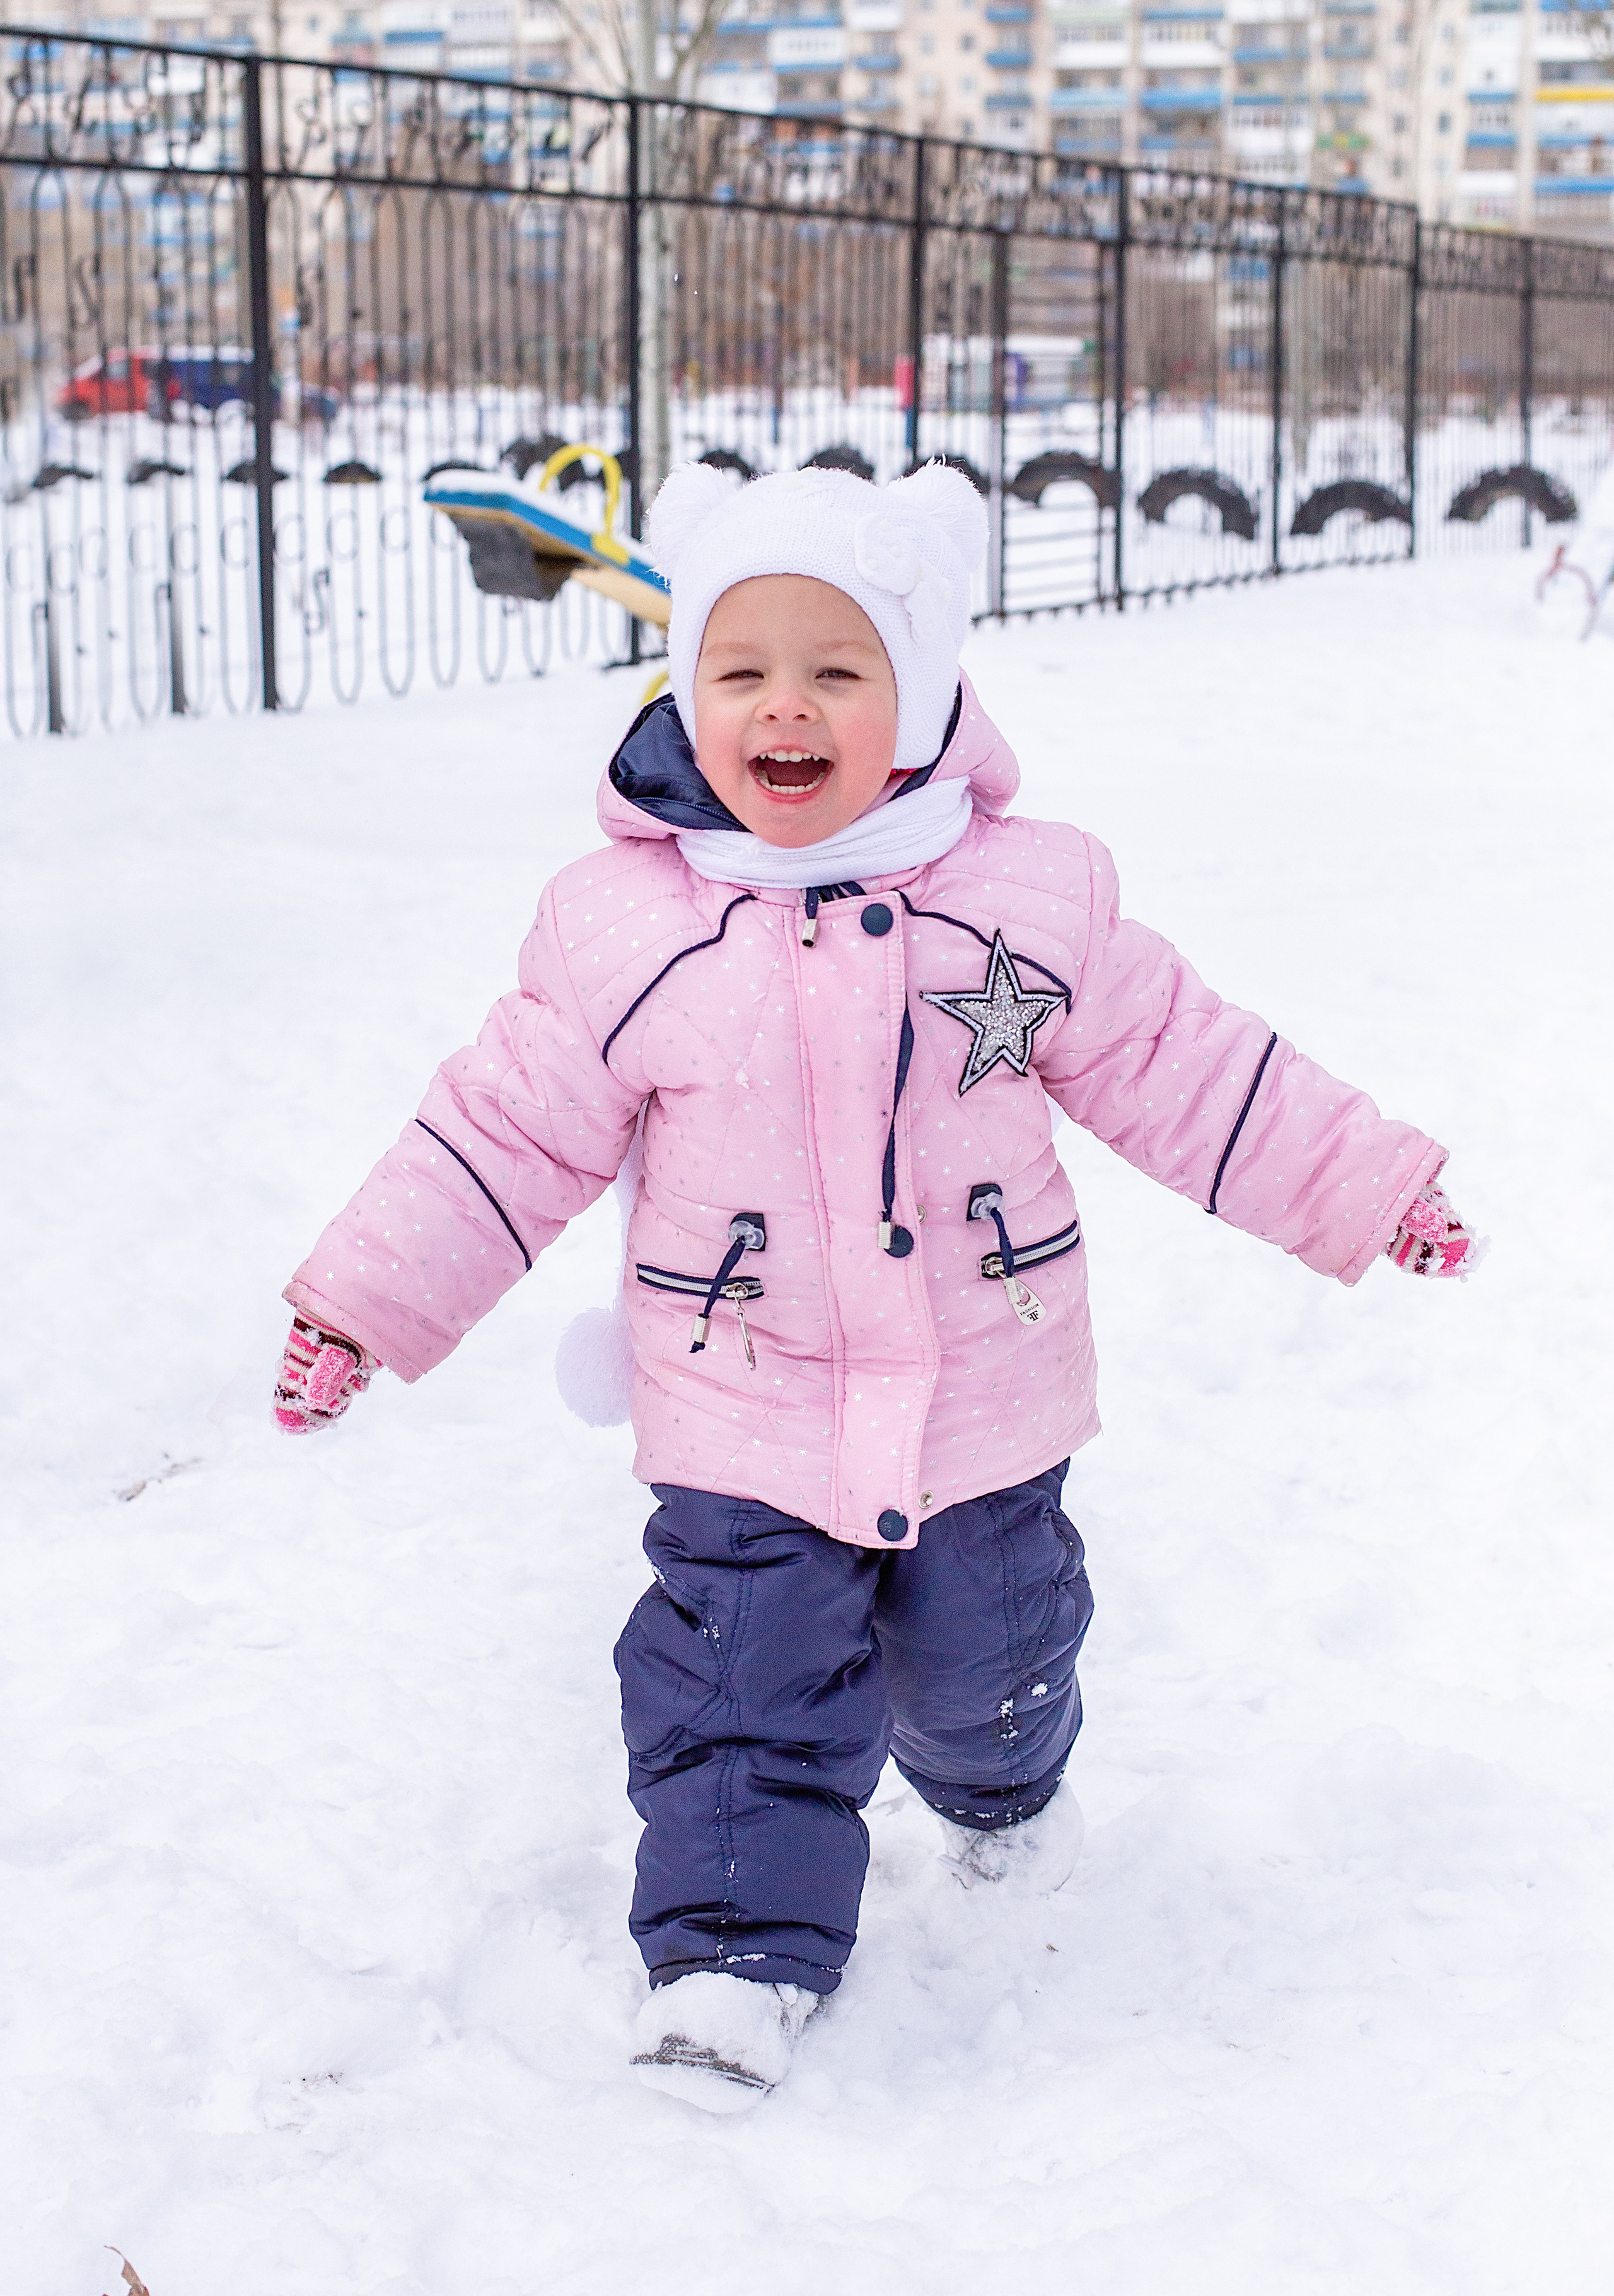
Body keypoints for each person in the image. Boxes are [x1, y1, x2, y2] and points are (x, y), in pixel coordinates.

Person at [272, 460, 1478, 2115]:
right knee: (734, 1674)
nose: (785, 705)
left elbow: (1196, 1069)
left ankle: (1000, 1788)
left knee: (986, 1664)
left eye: (837, 671)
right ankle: (725, 1958)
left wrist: (1368, 1185)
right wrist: (362, 1304)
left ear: (918, 699)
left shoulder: (1024, 905)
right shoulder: (628, 934)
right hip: (738, 1395)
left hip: (987, 1390)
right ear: (686, 693)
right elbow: (495, 1132)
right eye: (740, 669)